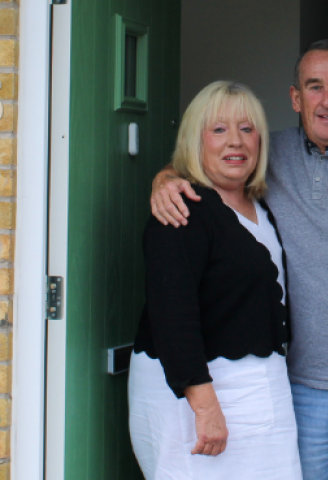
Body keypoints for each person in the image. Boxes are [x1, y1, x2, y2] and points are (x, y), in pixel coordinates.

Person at [151, 40, 328, 480]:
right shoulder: (265, 155)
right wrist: (165, 180)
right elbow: (208, 162)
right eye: (314, 87)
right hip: (299, 391)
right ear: (296, 98)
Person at [128, 80, 303, 480]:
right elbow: (172, 314)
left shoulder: (259, 204)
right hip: (198, 394)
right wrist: (204, 407)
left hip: (260, 388)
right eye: (219, 130)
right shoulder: (182, 208)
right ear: (196, 139)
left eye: (246, 129)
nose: (235, 142)